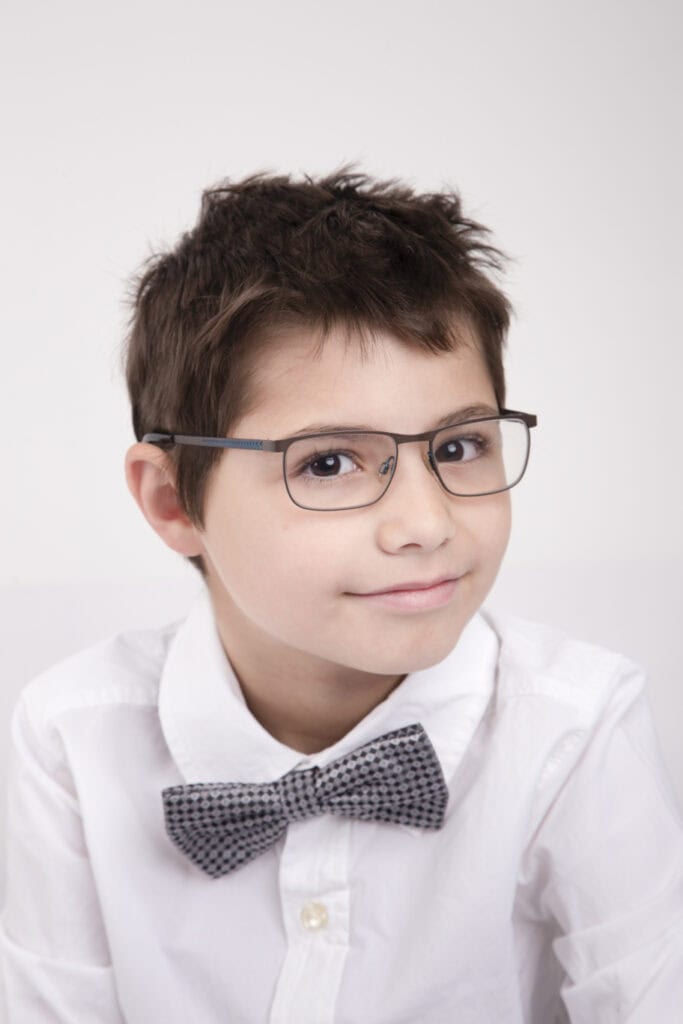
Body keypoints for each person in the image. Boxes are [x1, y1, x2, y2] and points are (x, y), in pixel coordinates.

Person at [1, 166, 681, 1024]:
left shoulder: (572, 728)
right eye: (327, 462)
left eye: (460, 446)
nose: (424, 523)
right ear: (174, 502)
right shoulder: (72, 737)